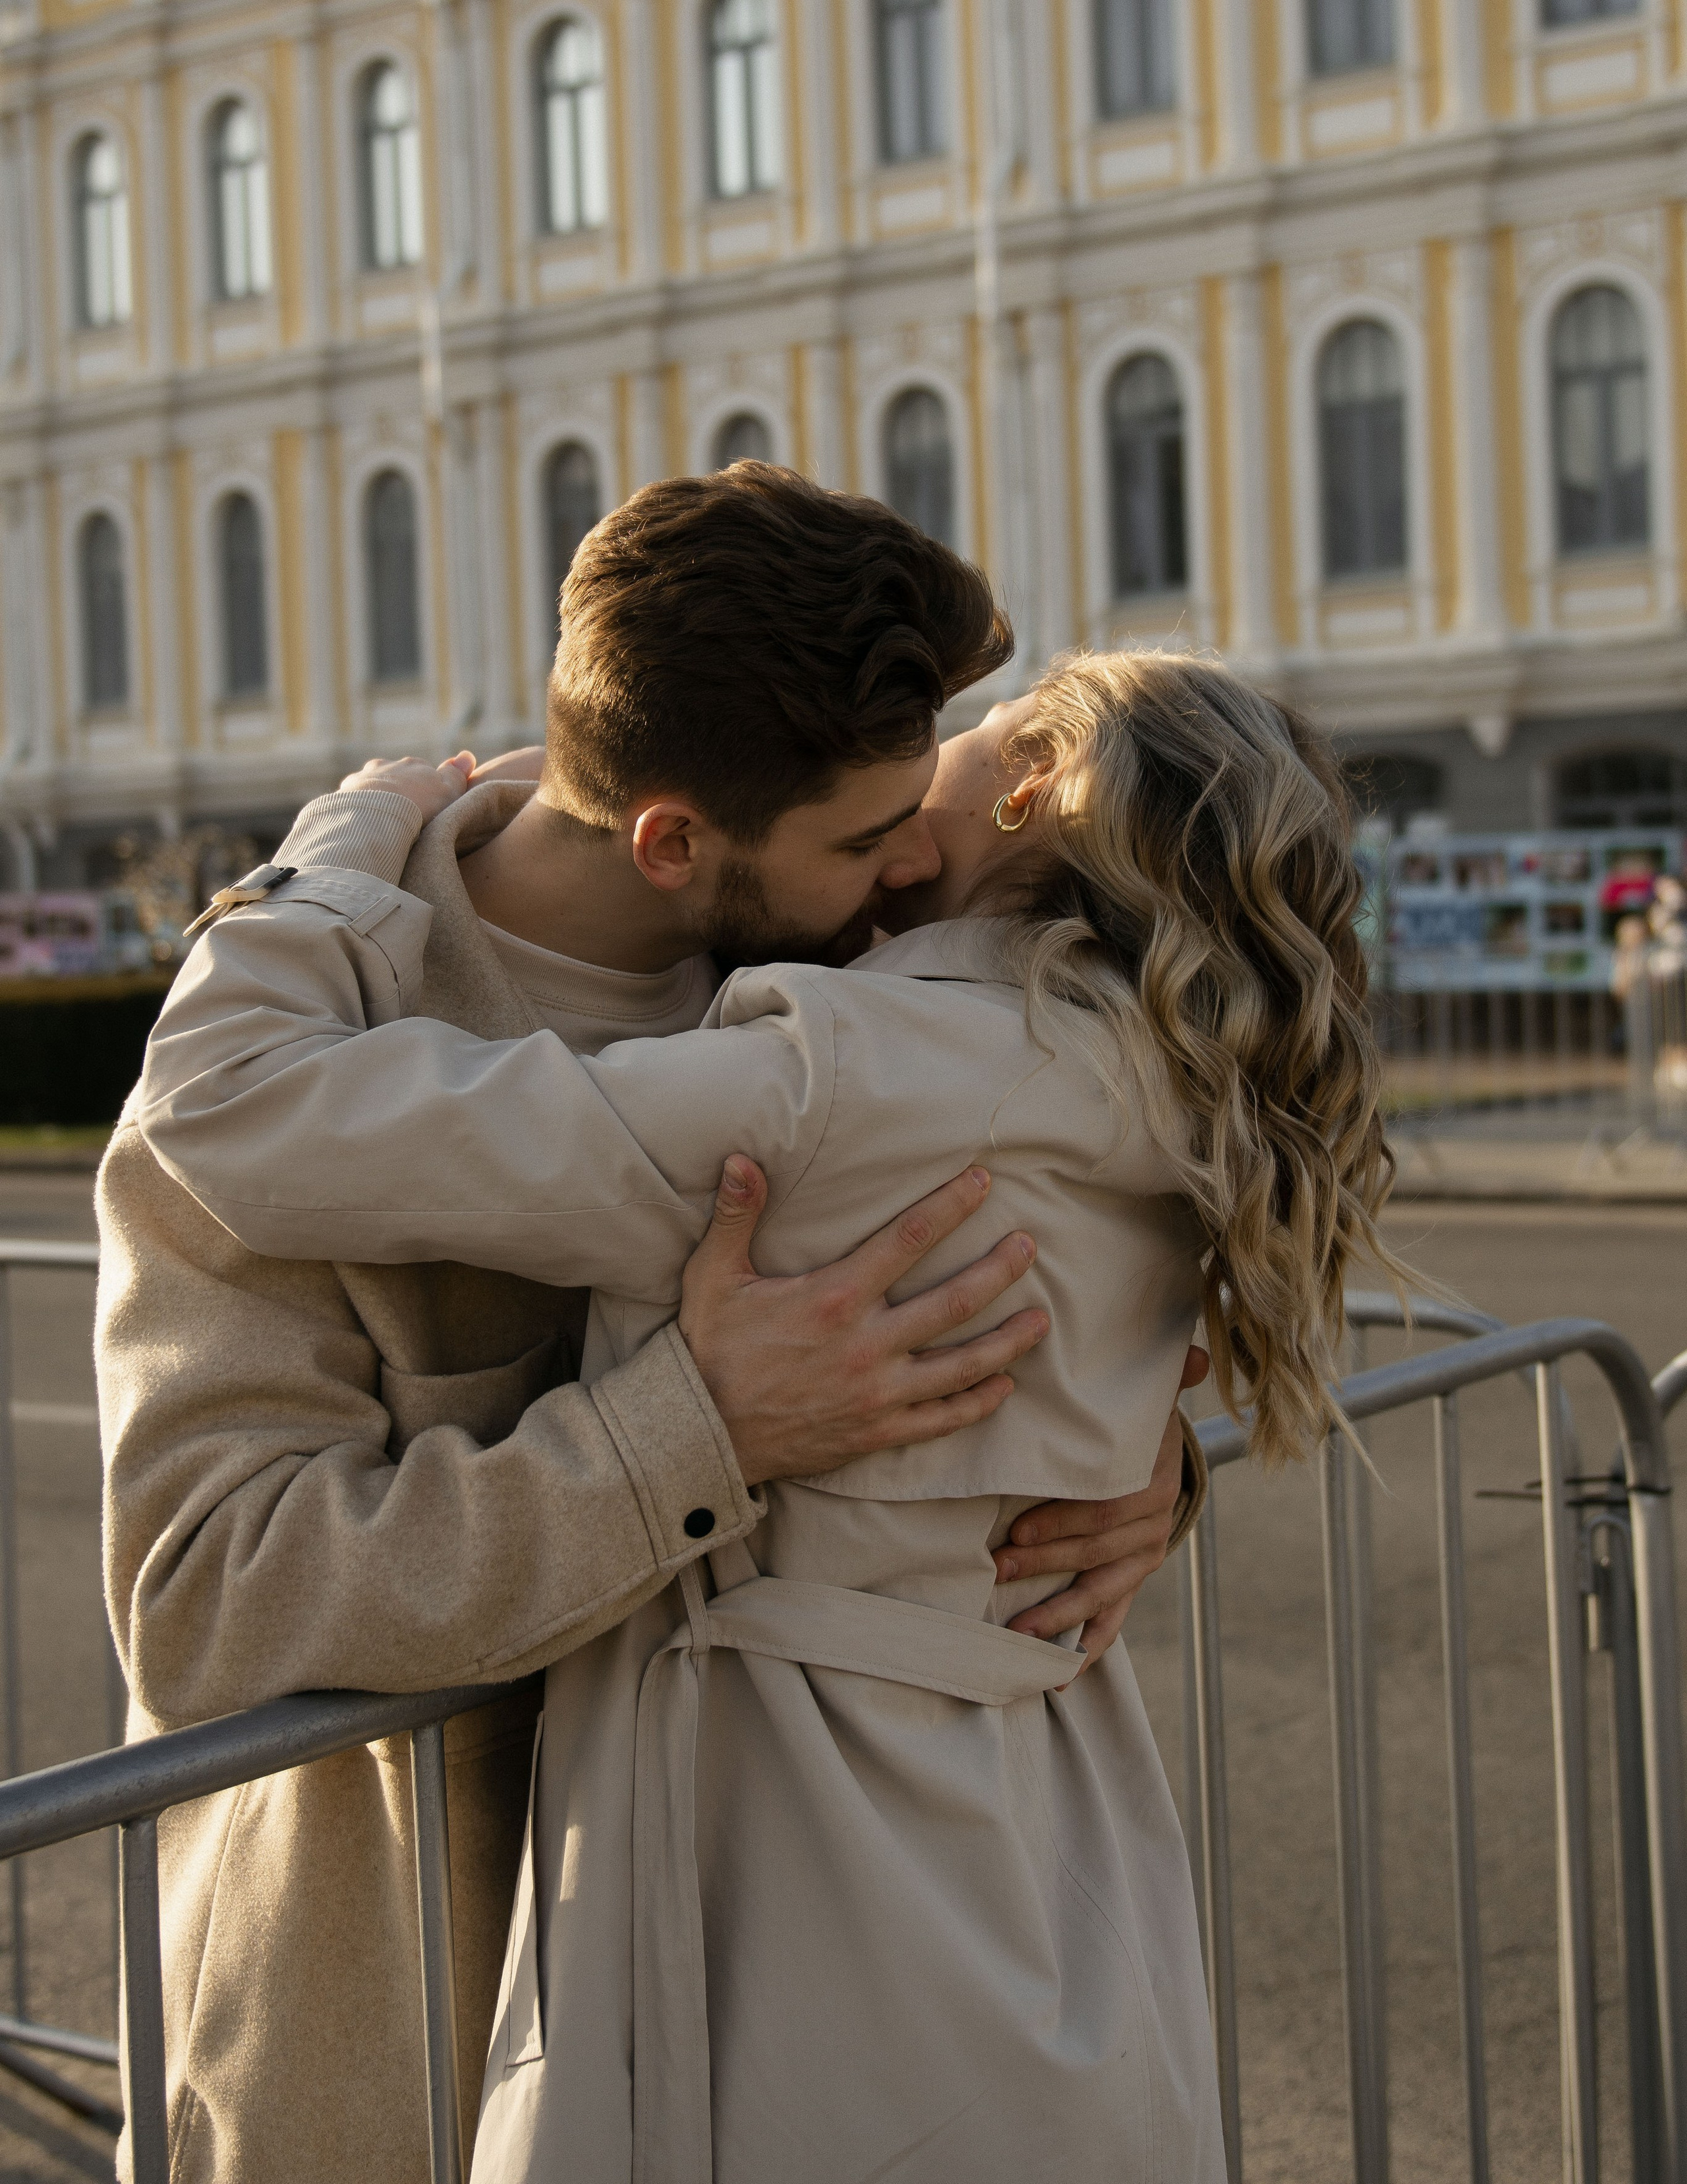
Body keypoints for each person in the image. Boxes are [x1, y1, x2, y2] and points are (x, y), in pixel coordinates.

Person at [136, 627, 1402, 2177]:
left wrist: (345, 836)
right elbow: (210, 1600)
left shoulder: (830, 1049)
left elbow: (232, 1101)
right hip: (1031, 1868)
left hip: (785, 1873)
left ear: (1031, 782)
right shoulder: (1153, 1073)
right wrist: (728, 1431)